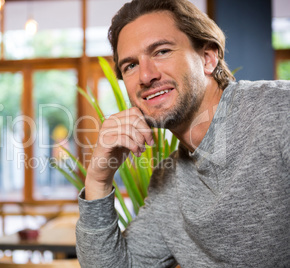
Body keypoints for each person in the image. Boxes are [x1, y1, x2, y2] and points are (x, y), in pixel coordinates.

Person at [75, 0, 290, 267]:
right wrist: (98, 180)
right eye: (129, 65)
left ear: (208, 58)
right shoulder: (169, 183)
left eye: (162, 51)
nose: (145, 75)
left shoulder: (281, 111)